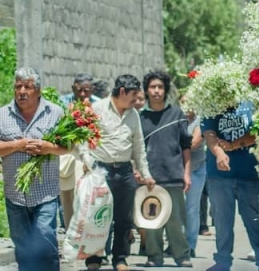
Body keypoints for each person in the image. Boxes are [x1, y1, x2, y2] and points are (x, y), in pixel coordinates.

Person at [77, 74, 156, 271]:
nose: (135, 101)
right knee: (98, 217)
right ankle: (94, 258)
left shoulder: (133, 115)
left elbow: (138, 146)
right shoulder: (97, 109)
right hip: (100, 170)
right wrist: (88, 162)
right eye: (133, 96)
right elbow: (83, 137)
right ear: (122, 92)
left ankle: (120, 258)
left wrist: (146, 174)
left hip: (125, 172)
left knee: (123, 218)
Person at [0, 67, 66, 271]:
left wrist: (48, 148)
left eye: (27, 87)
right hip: (15, 194)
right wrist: (18, 145)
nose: (22, 91)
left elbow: (68, 147)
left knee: (45, 239)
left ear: (38, 91)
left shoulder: (55, 112)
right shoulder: (2, 115)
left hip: (45, 193)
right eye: (18, 86)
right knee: (23, 248)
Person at [202, 101, 259, 271]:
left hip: (249, 173)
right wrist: (219, 153)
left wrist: (233, 145)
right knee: (222, 221)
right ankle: (222, 262)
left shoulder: (251, 103)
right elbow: (209, 133)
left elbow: (257, 132)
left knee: (255, 220)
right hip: (219, 175)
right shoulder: (211, 104)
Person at [139, 71, 193, 267]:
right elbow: (136, 149)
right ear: (146, 90)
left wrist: (186, 173)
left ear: (165, 90)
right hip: (150, 178)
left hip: (174, 175)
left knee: (175, 220)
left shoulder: (176, 114)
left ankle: (182, 256)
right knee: (152, 221)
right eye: (152, 87)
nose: (156, 91)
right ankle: (154, 257)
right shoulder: (140, 117)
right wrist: (139, 172)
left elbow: (186, 145)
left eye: (160, 87)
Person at [58, 73, 101, 231]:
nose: (82, 94)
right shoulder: (62, 104)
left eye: (86, 90)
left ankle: (88, 234)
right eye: (78, 90)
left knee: (87, 199)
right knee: (68, 198)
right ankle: (71, 235)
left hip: (91, 158)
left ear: (93, 90)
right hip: (68, 157)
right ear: (72, 89)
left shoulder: (99, 106)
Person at [180, 92, 206, 258]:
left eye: (190, 102)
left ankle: (190, 245)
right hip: (176, 170)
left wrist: (176, 143)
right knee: (176, 209)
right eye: (183, 103)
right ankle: (177, 243)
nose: (186, 106)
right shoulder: (175, 120)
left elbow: (195, 143)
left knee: (191, 209)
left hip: (196, 170)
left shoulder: (200, 121)